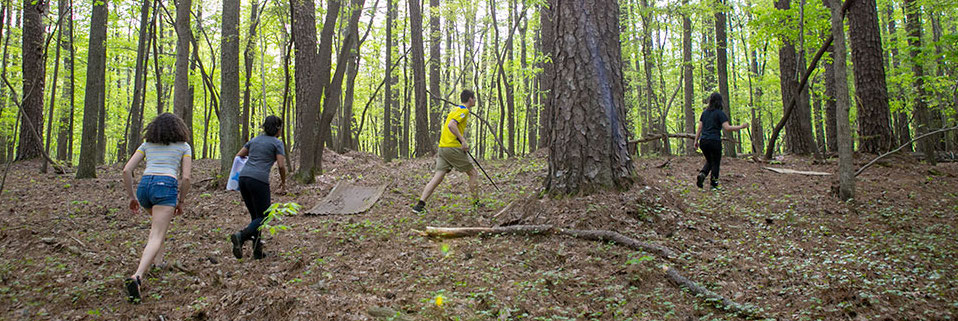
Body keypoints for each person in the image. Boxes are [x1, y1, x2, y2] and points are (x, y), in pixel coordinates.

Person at [121, 113, 193, 304]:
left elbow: (127, 170)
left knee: (158, 228)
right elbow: (186, 178)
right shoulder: (184, 147)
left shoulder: (147, 145)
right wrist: (181, 200)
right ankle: (137, 277)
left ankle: (158, 262)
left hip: (145, 187)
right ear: (179, 129)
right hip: (165, 185)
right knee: (157, 234)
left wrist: (131, 196)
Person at [411, 90, 480, 213]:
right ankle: (476, 204)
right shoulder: (464, 111)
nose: (475, 101)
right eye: (474, 98)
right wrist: (463, 141)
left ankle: (419, 205)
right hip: (452, 147)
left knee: (438, 176)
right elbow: (452, 125)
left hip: (443, 148)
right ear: (470, 99)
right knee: (473, 173)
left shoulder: (455, 110)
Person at [230, 116, 287, 260]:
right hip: (259, 181)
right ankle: (241, 236)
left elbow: (238, 156)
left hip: (243, 179)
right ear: (278, 128)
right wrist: (283, 182)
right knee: (264, 216)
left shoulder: (254, 140)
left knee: (256, 217)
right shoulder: (277, 143)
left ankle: (257, 252)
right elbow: (281, 165)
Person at [694, 92, 748, 190]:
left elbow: (699, 128)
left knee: (710, 161)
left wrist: (696, 140)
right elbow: (727, 128)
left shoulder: (704, 113)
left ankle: (702, 174)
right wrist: (741, 126)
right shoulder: (720, 113)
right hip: (714, 141)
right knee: (715, 162)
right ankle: (713, 185)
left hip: (704, 141)